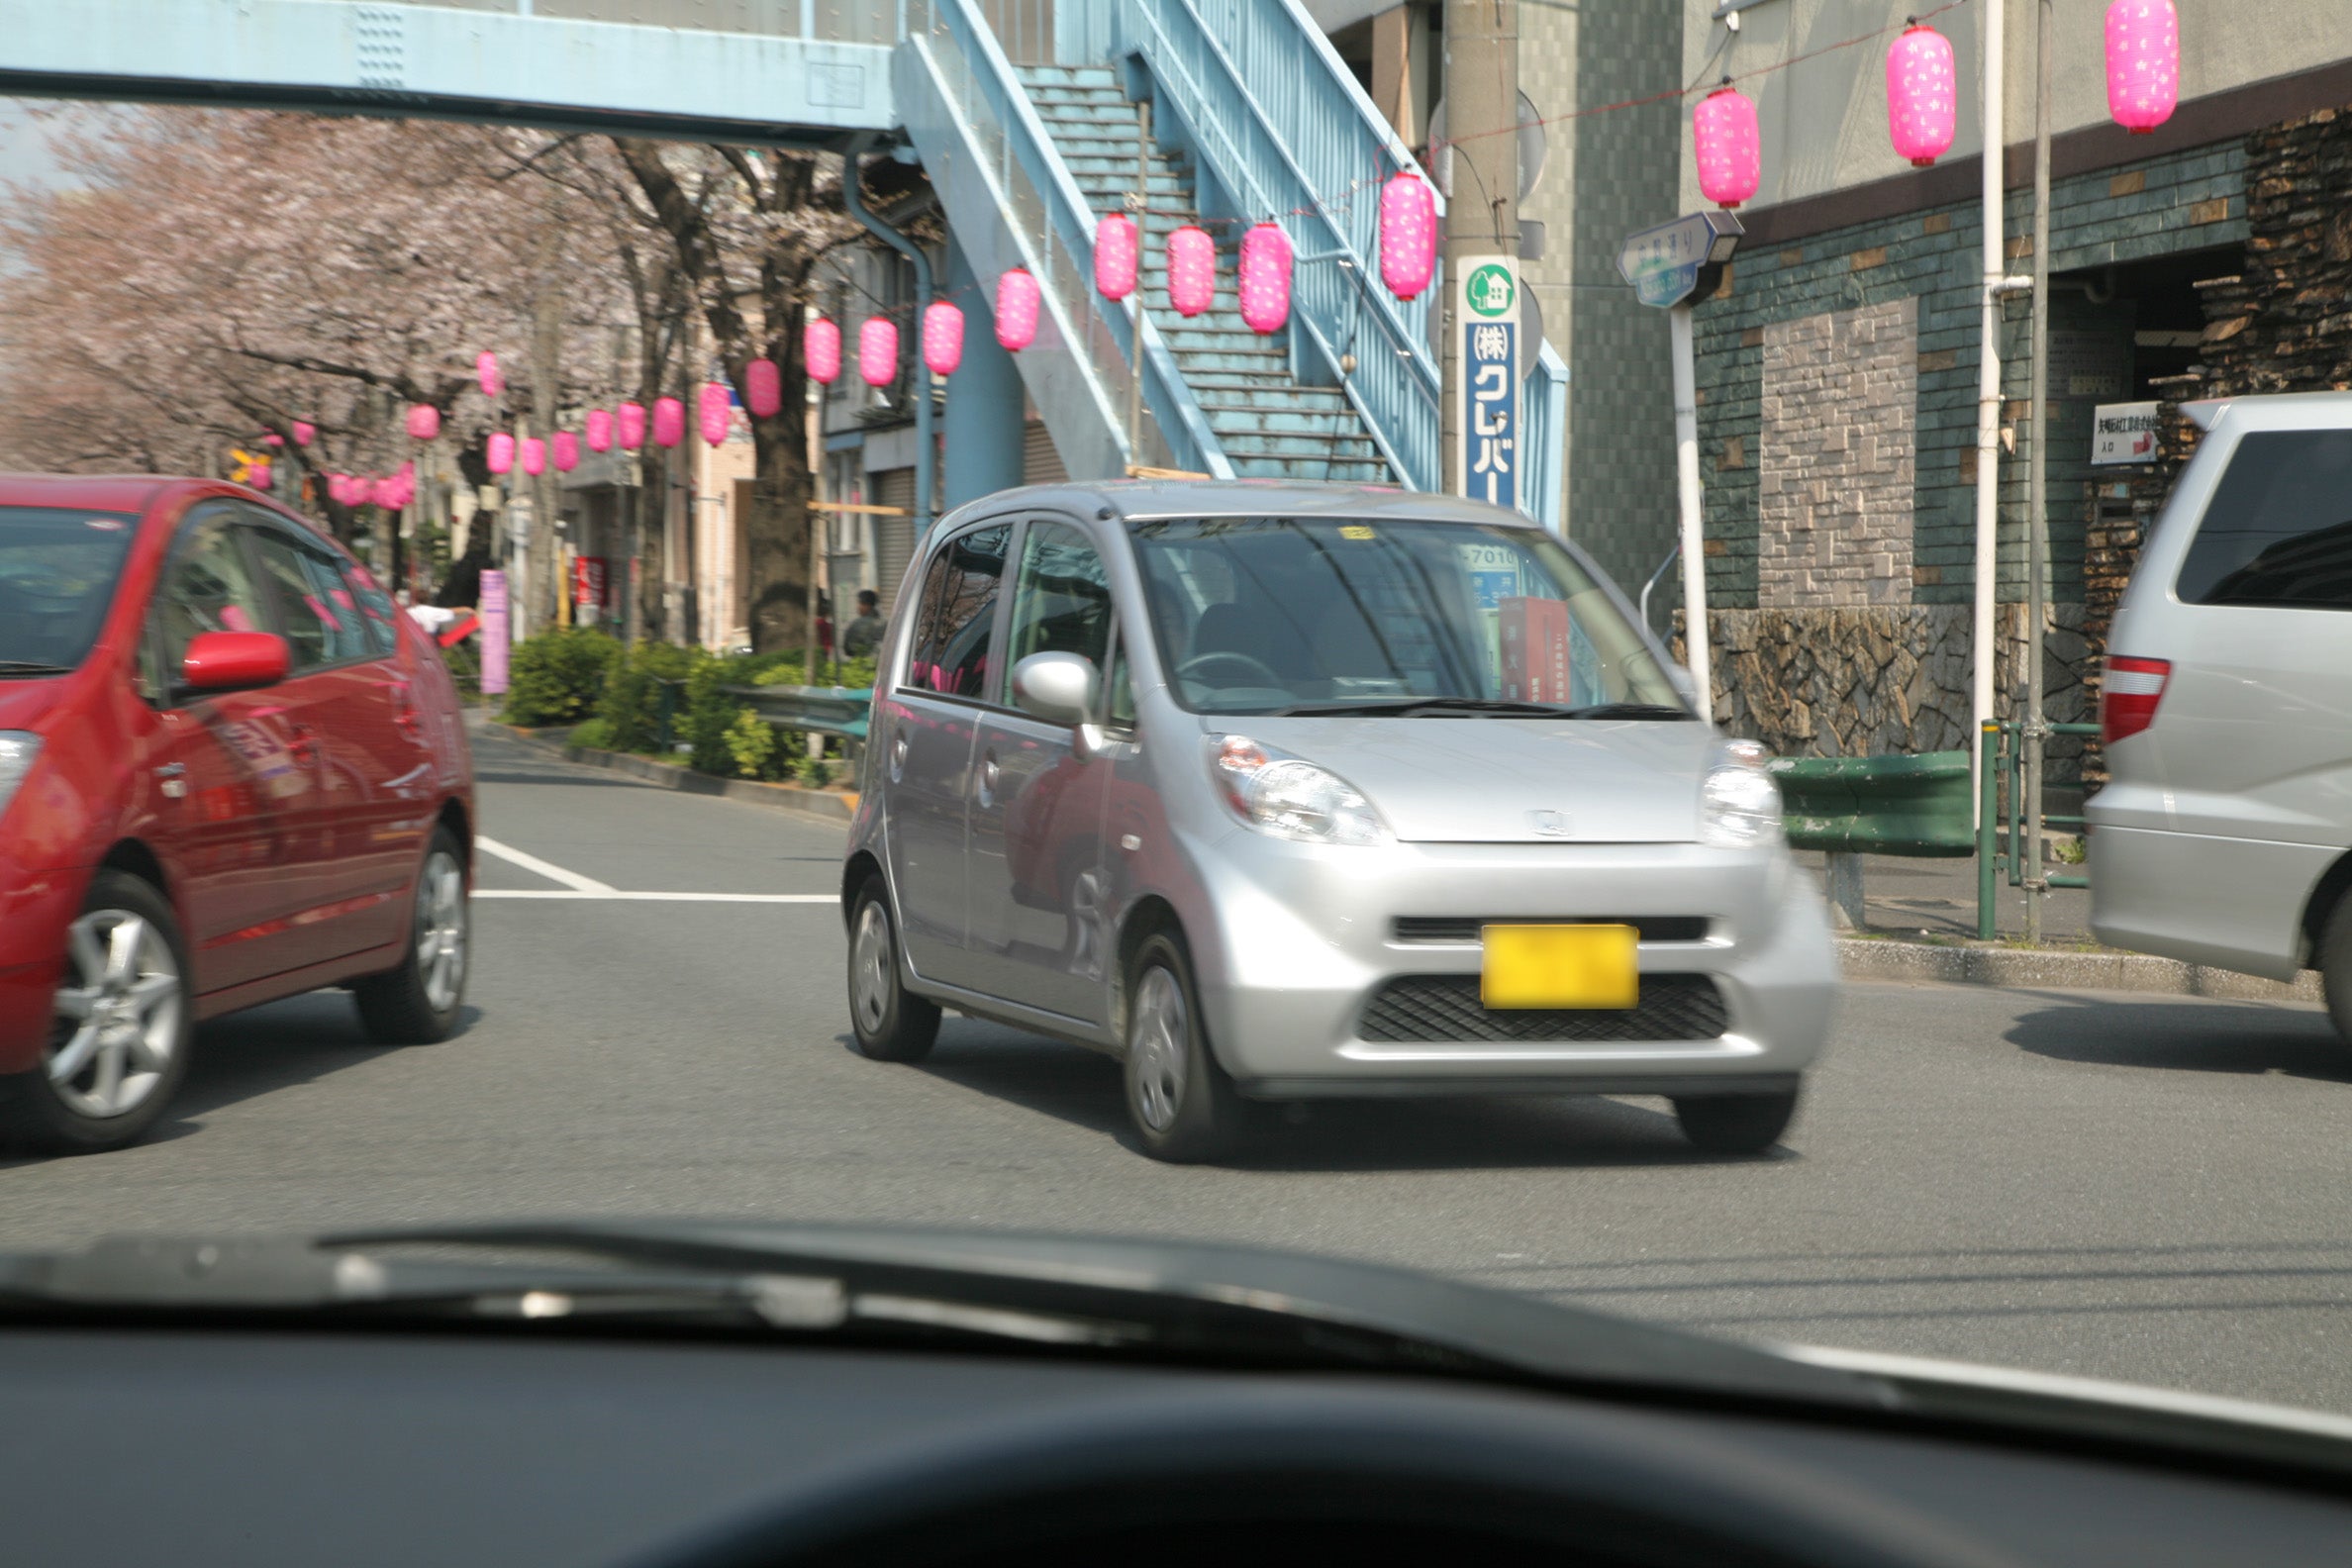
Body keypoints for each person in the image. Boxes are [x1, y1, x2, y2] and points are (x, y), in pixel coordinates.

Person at [841, 588, 886, 659]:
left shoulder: (856, 624)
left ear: (867, 605)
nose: (858, 607)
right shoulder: (885, 623)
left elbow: (848, 649)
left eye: (860, 603)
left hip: (861, 665)